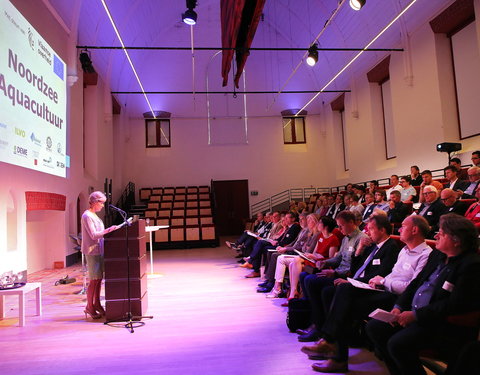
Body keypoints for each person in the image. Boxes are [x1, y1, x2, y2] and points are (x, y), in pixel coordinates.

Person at [366, 214, 480, 375]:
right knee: (375, 327)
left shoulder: (471, 265)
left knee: (398, 344)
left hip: (441, 323)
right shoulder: (438, 255)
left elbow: (454, 304)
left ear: (457, 240)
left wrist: (416, 315)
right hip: (417, 314)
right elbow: (416, 283)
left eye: (442, 232)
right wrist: (399, 306)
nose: (436, 235)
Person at [81, 191, 120, 319]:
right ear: (94, 202)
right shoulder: (87, 216)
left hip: (99, 250)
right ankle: (89, 306)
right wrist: (110, 230)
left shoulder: (94, 215)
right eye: (101, 203)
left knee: (98, 279)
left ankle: (97, 304)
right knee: (93, 280)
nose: (102, 206)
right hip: (92, 251)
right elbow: (93, 235)